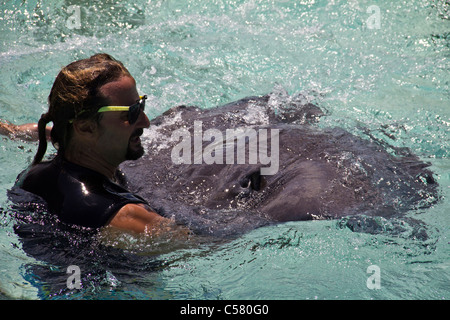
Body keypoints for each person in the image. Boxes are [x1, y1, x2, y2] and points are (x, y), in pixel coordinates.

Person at [7, 53, 186, 236]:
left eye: (140, 105)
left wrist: (9, 130)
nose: (145, 122)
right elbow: (200, 248)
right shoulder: (126, 215)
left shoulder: (32, 175)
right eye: (131, 112)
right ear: (85, 127)